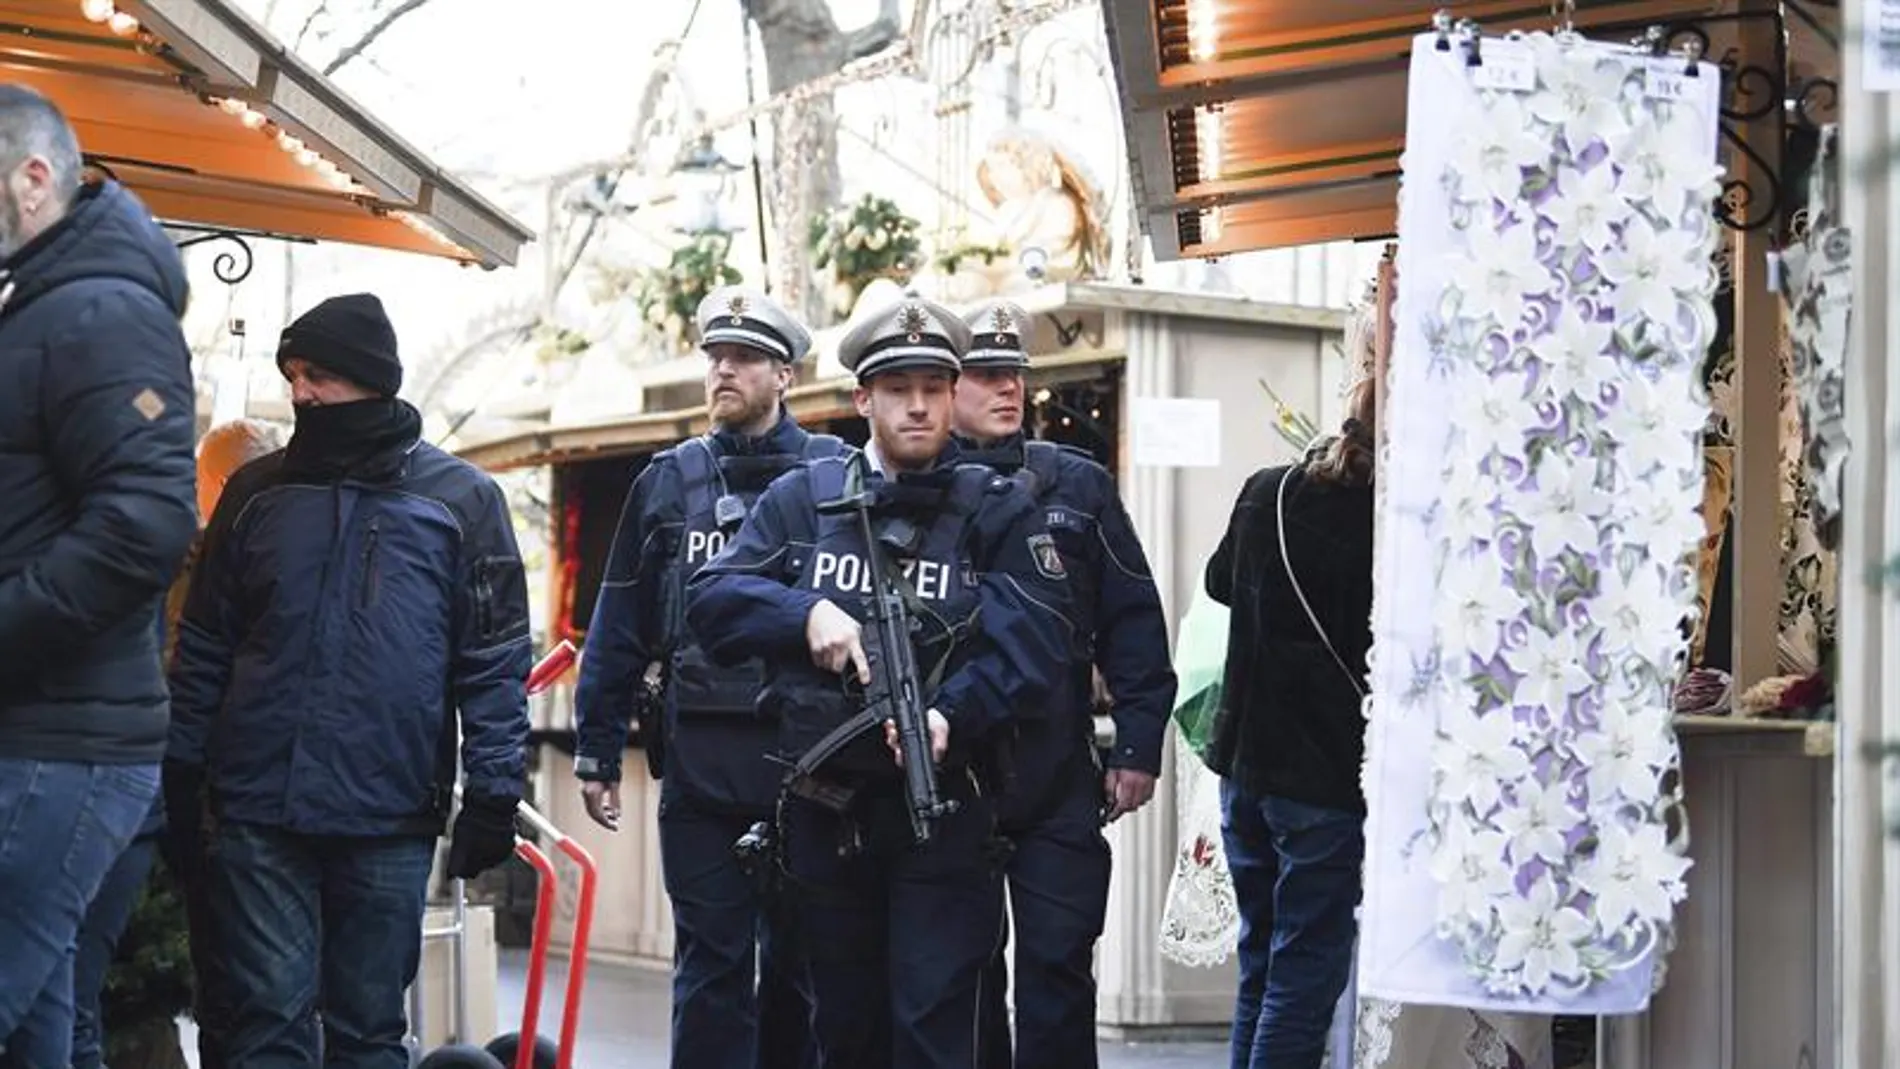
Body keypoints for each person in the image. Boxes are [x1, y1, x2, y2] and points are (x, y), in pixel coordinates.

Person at [685, 296, 1075, 1069]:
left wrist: (949, 716)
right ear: (864, 398)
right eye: (899, 389)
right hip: (828, 817)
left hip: (945, 807)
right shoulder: (804, 500)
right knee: (846, 1029)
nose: (920, 406)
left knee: (933, 1027)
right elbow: (713, 601)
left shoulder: (996, 511)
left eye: (935, 386)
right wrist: (805, 615)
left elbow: (1035, 648)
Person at [165, 294, 531, 1069]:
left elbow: (494, 662)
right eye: (293, 374)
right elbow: (204, 643)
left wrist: (497, 792)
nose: (301, 392)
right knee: (266, 1024)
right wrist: (182, 765)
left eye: (320, 375)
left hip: (389, 811)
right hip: (261, 807)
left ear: (373, 381)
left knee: (367, 1032)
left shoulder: (462, 500)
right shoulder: (255, 493)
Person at [573, 285, 840, 1069]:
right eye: (716, 356)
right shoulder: (667, 480)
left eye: (746, 358)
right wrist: (596, 749)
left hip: (811, 765)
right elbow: (618, 619)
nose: (724, 370)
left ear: (785, 374)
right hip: (701, 764)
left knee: (801, 970)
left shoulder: (837, 473)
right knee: (711, 966)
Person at [0, 85, 198, 1067]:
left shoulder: (100, 310)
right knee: (39, 1022)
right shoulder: (49, 303)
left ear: (32, 178)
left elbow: (146, 522)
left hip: (62, 741)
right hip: (45, 730)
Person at [950, 300, 1175, 1069]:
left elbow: (1134, 619)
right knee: (965, 974)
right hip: (955, 768)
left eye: (1014, 372)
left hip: (1056, 766)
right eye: (985, 374)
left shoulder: (1076, 486)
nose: (1006, 388)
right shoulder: (917, 489)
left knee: (1058, 966)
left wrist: (1139, 743)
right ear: (947, 385)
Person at [1205, 326, 1378, 1069]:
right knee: (1303, 980)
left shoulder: (1267, 489)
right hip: (1324, 778)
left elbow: (1217, 584)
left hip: (1245, 764)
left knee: (1262, 969)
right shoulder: (1385, 524)